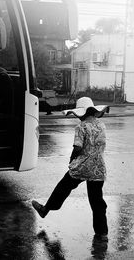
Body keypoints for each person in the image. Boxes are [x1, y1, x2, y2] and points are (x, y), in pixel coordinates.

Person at [31, 97, 110, 241]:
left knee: (63, 187)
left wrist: (72, 160)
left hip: (82, 166)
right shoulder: (101, 125)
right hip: (99, 167)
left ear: (81, 113)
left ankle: (45, 209)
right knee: (97, 200)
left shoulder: (81, 127)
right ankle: (102, 232)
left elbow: (78, 147)